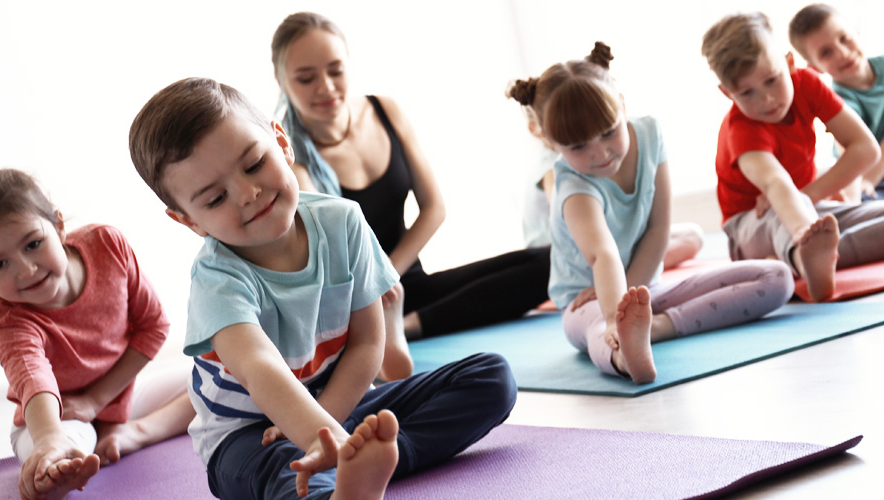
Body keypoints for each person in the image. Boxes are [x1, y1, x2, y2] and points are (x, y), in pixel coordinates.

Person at [128, 76, 516, 500]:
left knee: (492, 377)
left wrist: (330, 432)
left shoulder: (343, 221)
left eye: (255, 163)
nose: (248, 193)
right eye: (215, 199)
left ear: (281, 142)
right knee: (284, 470)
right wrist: (321, 439)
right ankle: (343, 478)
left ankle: (370, 464)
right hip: (246, 438)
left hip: (336, 406)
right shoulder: (217, 281)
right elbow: (261, 370)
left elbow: (368, 343)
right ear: (189, 220)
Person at [270, 12, 551, 368]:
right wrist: (375, 292)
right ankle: (381, 333)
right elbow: (326, 259)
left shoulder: (385, 110)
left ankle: (408, 326)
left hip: (404, 280)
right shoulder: (290, 160)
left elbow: (434, 208)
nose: (325, 87)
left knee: (549, 261)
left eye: (336, 71)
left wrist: (388, 274)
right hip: (357, 303)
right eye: (306, 78)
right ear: (280, 80)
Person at [506, 42, 794, 384]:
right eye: (578, 146)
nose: (600, 154)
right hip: (589, 303)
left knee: (777, 278)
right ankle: (625, 355)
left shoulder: (649, 133)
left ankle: (655, 329)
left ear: (622, 105)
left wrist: (633, 306)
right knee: (602, 331)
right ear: (550, 142)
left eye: (609, 131)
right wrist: (616, 317)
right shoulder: (572, 185)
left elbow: (659, 228)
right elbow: (603, 255)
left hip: (644, 289)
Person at [0, 169, 195, 500]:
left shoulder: (107, 244)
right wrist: (50, 439)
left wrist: (96, 400)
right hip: (58, 419)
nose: (26, 270)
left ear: (58, 225)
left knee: (230, 375)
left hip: (118, 396)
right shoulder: (9, 323)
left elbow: (153, 327)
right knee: (59, 458)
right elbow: (34, 381)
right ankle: (57, 466)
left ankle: (135, 433)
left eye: (33, 244)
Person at [702, 12, 884, 303]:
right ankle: (804, 254)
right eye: (747, 92)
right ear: (727, 93)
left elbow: (865, 148)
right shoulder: (742, 128)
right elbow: (776, 184)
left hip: (808, 205)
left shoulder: (807, 84)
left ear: (789, 63)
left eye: (772, 80)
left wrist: (808, 205)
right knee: (781, 221)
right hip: (752, 223)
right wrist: (803, 232)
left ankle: (807, 257)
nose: (767, 100)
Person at [516, 104, 705, 268]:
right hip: (560, 254)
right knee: (617, 257)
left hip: (603, 242)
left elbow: (657, 228)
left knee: (693, 236)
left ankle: (628, 270)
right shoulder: (554, 167)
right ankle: (617, 274)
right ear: (537, 130)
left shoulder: (596, 151)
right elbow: (574, 227)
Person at [788, 3, 884, 200]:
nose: (842, 53)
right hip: (872, 179)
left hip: (882, 170)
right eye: (826, 52)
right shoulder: (833, 101)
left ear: (857, 31)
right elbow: (850, 154)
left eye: (844, 38)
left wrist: (869, 180)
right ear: (815, 67)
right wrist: (861, 187)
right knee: (858, 205)